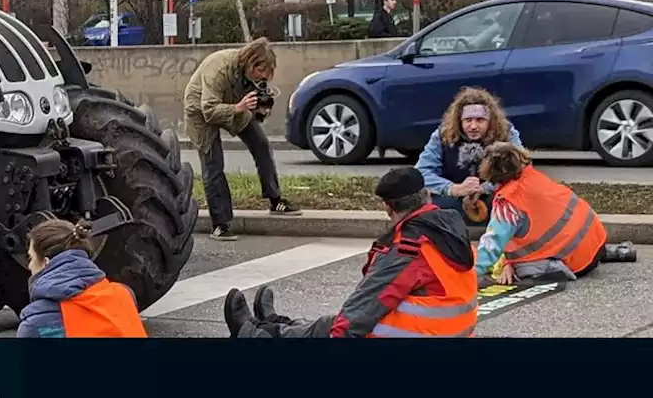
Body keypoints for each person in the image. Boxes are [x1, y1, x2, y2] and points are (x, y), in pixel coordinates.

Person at [221, 167, 478, 338]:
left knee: (333, 327)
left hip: (424, 333)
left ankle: (255, 334)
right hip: (454, 329)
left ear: (388, 207)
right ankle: (277, 324)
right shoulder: (447, 226)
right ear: (427, 196)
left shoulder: (407, 249)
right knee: (329, 324)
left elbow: (358, 313)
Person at [183, 37, 301, 242]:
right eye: (261, 71)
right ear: (250, 63)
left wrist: (261, 111)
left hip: (235, 105)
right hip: (201, 111)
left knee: (261, 144)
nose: (263, 77)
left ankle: (275, 199)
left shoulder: (253, 77)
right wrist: (239, 107)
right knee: (213, 163)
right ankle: (220, 223)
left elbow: (252, 110)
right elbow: (209, 110)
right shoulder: (218, 68)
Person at [473, 142, 636, 286]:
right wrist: (507, 261)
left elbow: (492, 243)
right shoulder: (532, 177)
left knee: (521, 267)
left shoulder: (509, 202)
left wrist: (473, 274)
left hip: (576, 261)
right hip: (595, 241)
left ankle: (554, 270)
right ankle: (616, 252)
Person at [16, 218, 147, 338]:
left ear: (46, 262)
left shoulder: (35, 323)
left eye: (31, 258)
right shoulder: (124, 295)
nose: (29, 265)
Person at [415, 86, 521, 221]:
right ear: (459, 121)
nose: (473, 126)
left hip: (495, 197)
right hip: (453, 199)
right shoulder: (443, 135)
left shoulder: (506, 134)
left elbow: (520, 169)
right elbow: (422, 171)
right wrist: (453, 189)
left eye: (480, 120)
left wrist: (485, 188)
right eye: (468, 120)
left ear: (491, 121)